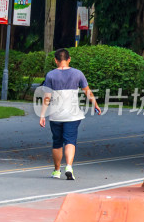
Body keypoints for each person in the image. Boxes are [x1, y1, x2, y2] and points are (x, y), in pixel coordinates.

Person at [38, 48, 101, 180]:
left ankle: (56, 171)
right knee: (70, 141)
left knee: (57, 143)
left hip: (55, 115)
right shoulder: (78, 74)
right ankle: (69, 166)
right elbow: (87, 91)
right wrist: (95, 104)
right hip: (73, 115)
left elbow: (47, 98)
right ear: (69, 59)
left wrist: (42, 115)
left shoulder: (50, 75)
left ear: (56, 60)